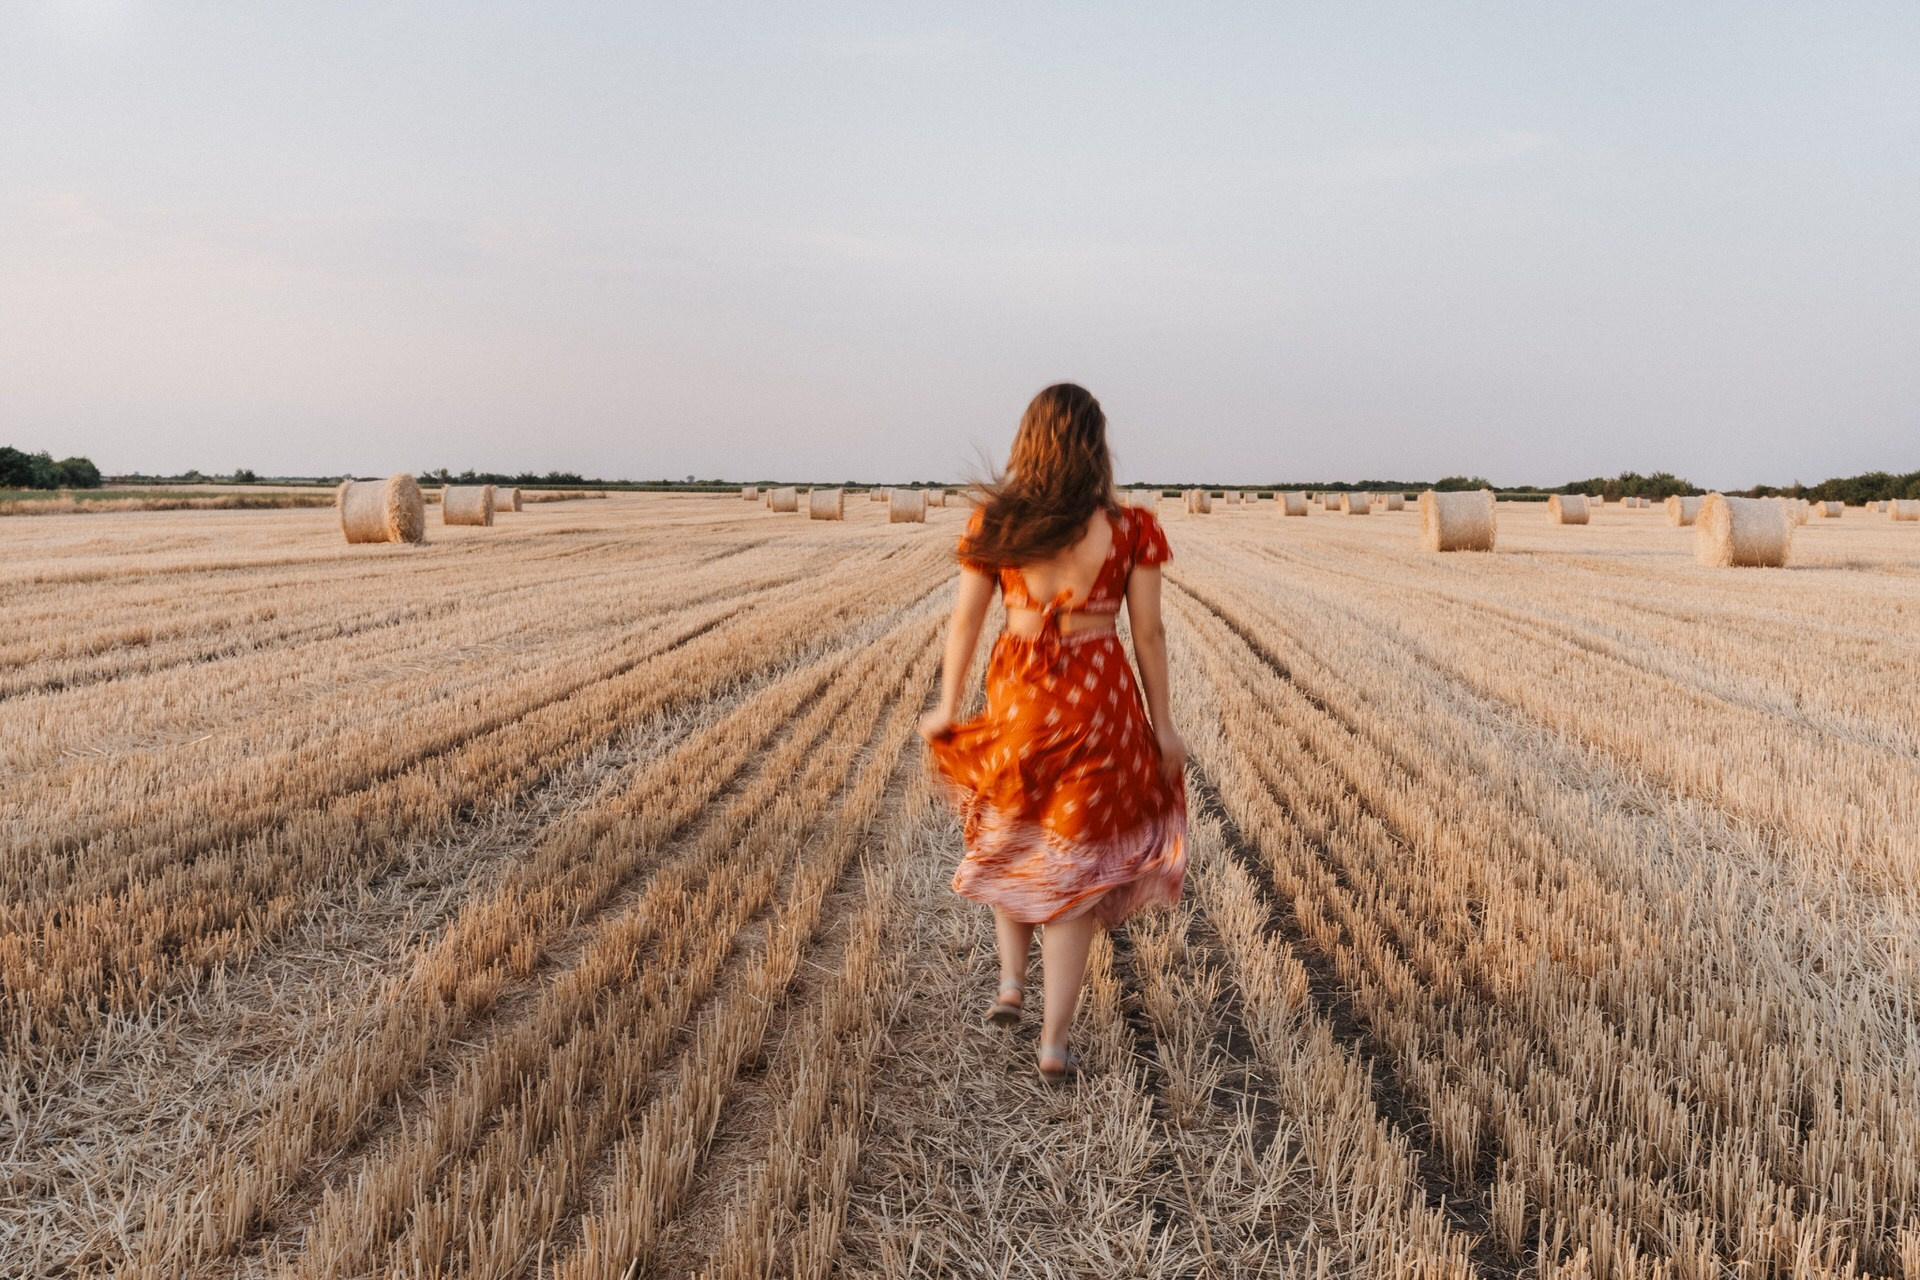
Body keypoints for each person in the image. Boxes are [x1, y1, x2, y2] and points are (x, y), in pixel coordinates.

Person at [919, 383, 1188, 1084]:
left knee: (1013, 837)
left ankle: (1010, 983)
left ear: (1028, 442)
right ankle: (1054, 1042)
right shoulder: (1130, 530)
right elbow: (1150, 635)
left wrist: (947, 706)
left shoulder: (997, 524)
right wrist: (1163, 727)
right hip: (1097, 708)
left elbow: (965, 624)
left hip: (1021, 701)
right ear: (1096, 448)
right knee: (1074, 876)